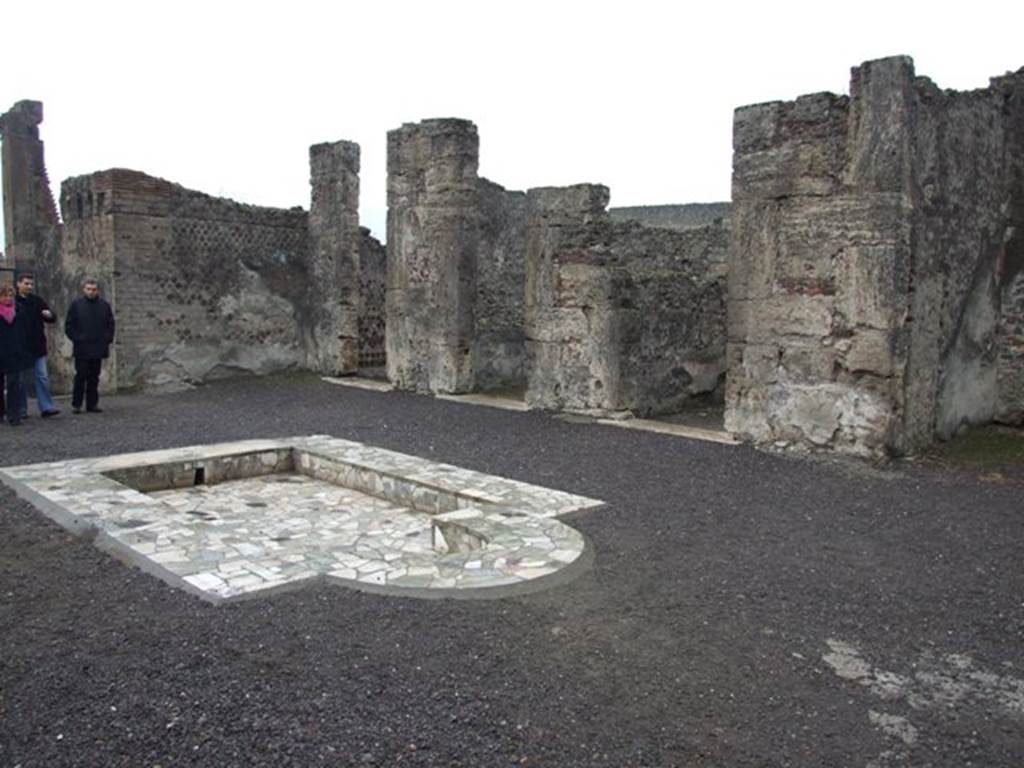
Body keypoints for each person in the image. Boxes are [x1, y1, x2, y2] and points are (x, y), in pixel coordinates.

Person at [64, 278, 115, 414]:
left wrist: (106, 340)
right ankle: (77, 404)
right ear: (84, 290)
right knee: (81, 375)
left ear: (97, 290)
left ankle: (92, 404)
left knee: (94, 376)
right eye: (88, 289)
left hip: (98, 347)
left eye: (93, 289)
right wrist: (77, 338)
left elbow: (110, 325)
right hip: (82, 347)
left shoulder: (104, 306)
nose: (91, 292)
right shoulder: (76, 305)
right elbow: (69, 325)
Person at [14, 273, 60, 419]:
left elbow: (51, 318)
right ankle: (21, 409)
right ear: (18, 284)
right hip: (21, 346)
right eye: (26, 283)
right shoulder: (14, 302)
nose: (29, 287)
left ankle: (46, 407)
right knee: (20, 379)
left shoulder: (37, 301)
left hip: (38, 345)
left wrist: (50, 315)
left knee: (42, 377)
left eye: (31, 284)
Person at [0, 283, 32, 426]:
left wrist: (23, 348)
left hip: (15, 351)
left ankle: (14, 413)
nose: (8, 298)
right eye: (5, 296)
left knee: (14, 384)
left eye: (10, 295)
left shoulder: (20, 310)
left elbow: (25, 331)